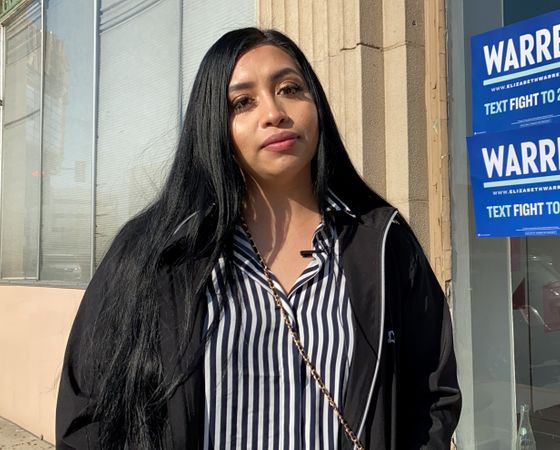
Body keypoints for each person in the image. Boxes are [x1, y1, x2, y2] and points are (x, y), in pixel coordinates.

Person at [56, 28, 461, 449]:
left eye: (290, 88)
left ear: (316, 106)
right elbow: (89, 415)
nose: (274, 112)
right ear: (214, 124)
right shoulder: (153, 253)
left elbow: (433, 394)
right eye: (243, 102)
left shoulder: (382, 243)